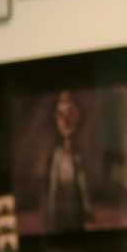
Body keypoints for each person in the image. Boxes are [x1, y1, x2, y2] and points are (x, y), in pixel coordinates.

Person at [41, 89, 90, 232]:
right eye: (60, 115)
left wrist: (86, 206)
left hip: (75, 211)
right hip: (59, 214)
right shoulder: (54, 155)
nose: (66, 120)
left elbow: (82, 183)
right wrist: (50, 211)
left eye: (70, 113)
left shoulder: (78, 155)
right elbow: (52, 188)